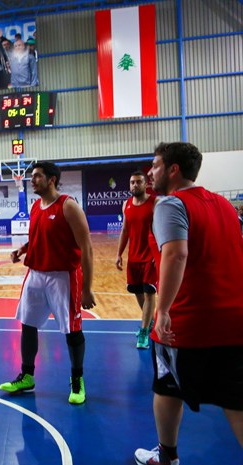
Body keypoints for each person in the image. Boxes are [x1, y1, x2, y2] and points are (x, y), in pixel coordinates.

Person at [133, 142, 243, 465]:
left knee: (167, 386)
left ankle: (167, 457)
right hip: (234, 320)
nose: (150, 173)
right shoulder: (225, 205)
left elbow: (176, 254)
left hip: (188, 321)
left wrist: (163, 309)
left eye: (155, 166)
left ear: (173, 169)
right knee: (236, 400)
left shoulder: (170, 204)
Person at [1, 161, 95, 405]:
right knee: (28, 323)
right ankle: (27, 376)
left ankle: (77, 380)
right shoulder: (35, 206)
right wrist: (22, 250)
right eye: (32, 176)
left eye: (37, 176)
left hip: (63, 277)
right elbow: (37, 237)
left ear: (52, 179)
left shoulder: (68, 206)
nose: (32, 180)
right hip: (35, 274)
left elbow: (86, 248)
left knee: (72, 329)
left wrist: (87, 289)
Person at [115, 171, 158, 349]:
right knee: (138, 291)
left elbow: (162, 229)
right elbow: (125, 230)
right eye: (132, 182)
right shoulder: (126, 204)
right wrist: (119, 253)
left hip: (150, 257)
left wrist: (159, 252)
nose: (135, 185)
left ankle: (144, 332)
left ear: (146, 184)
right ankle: (149, 322)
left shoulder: (155, 202)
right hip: (134, 257)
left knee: (149, 292)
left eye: (139, 182)